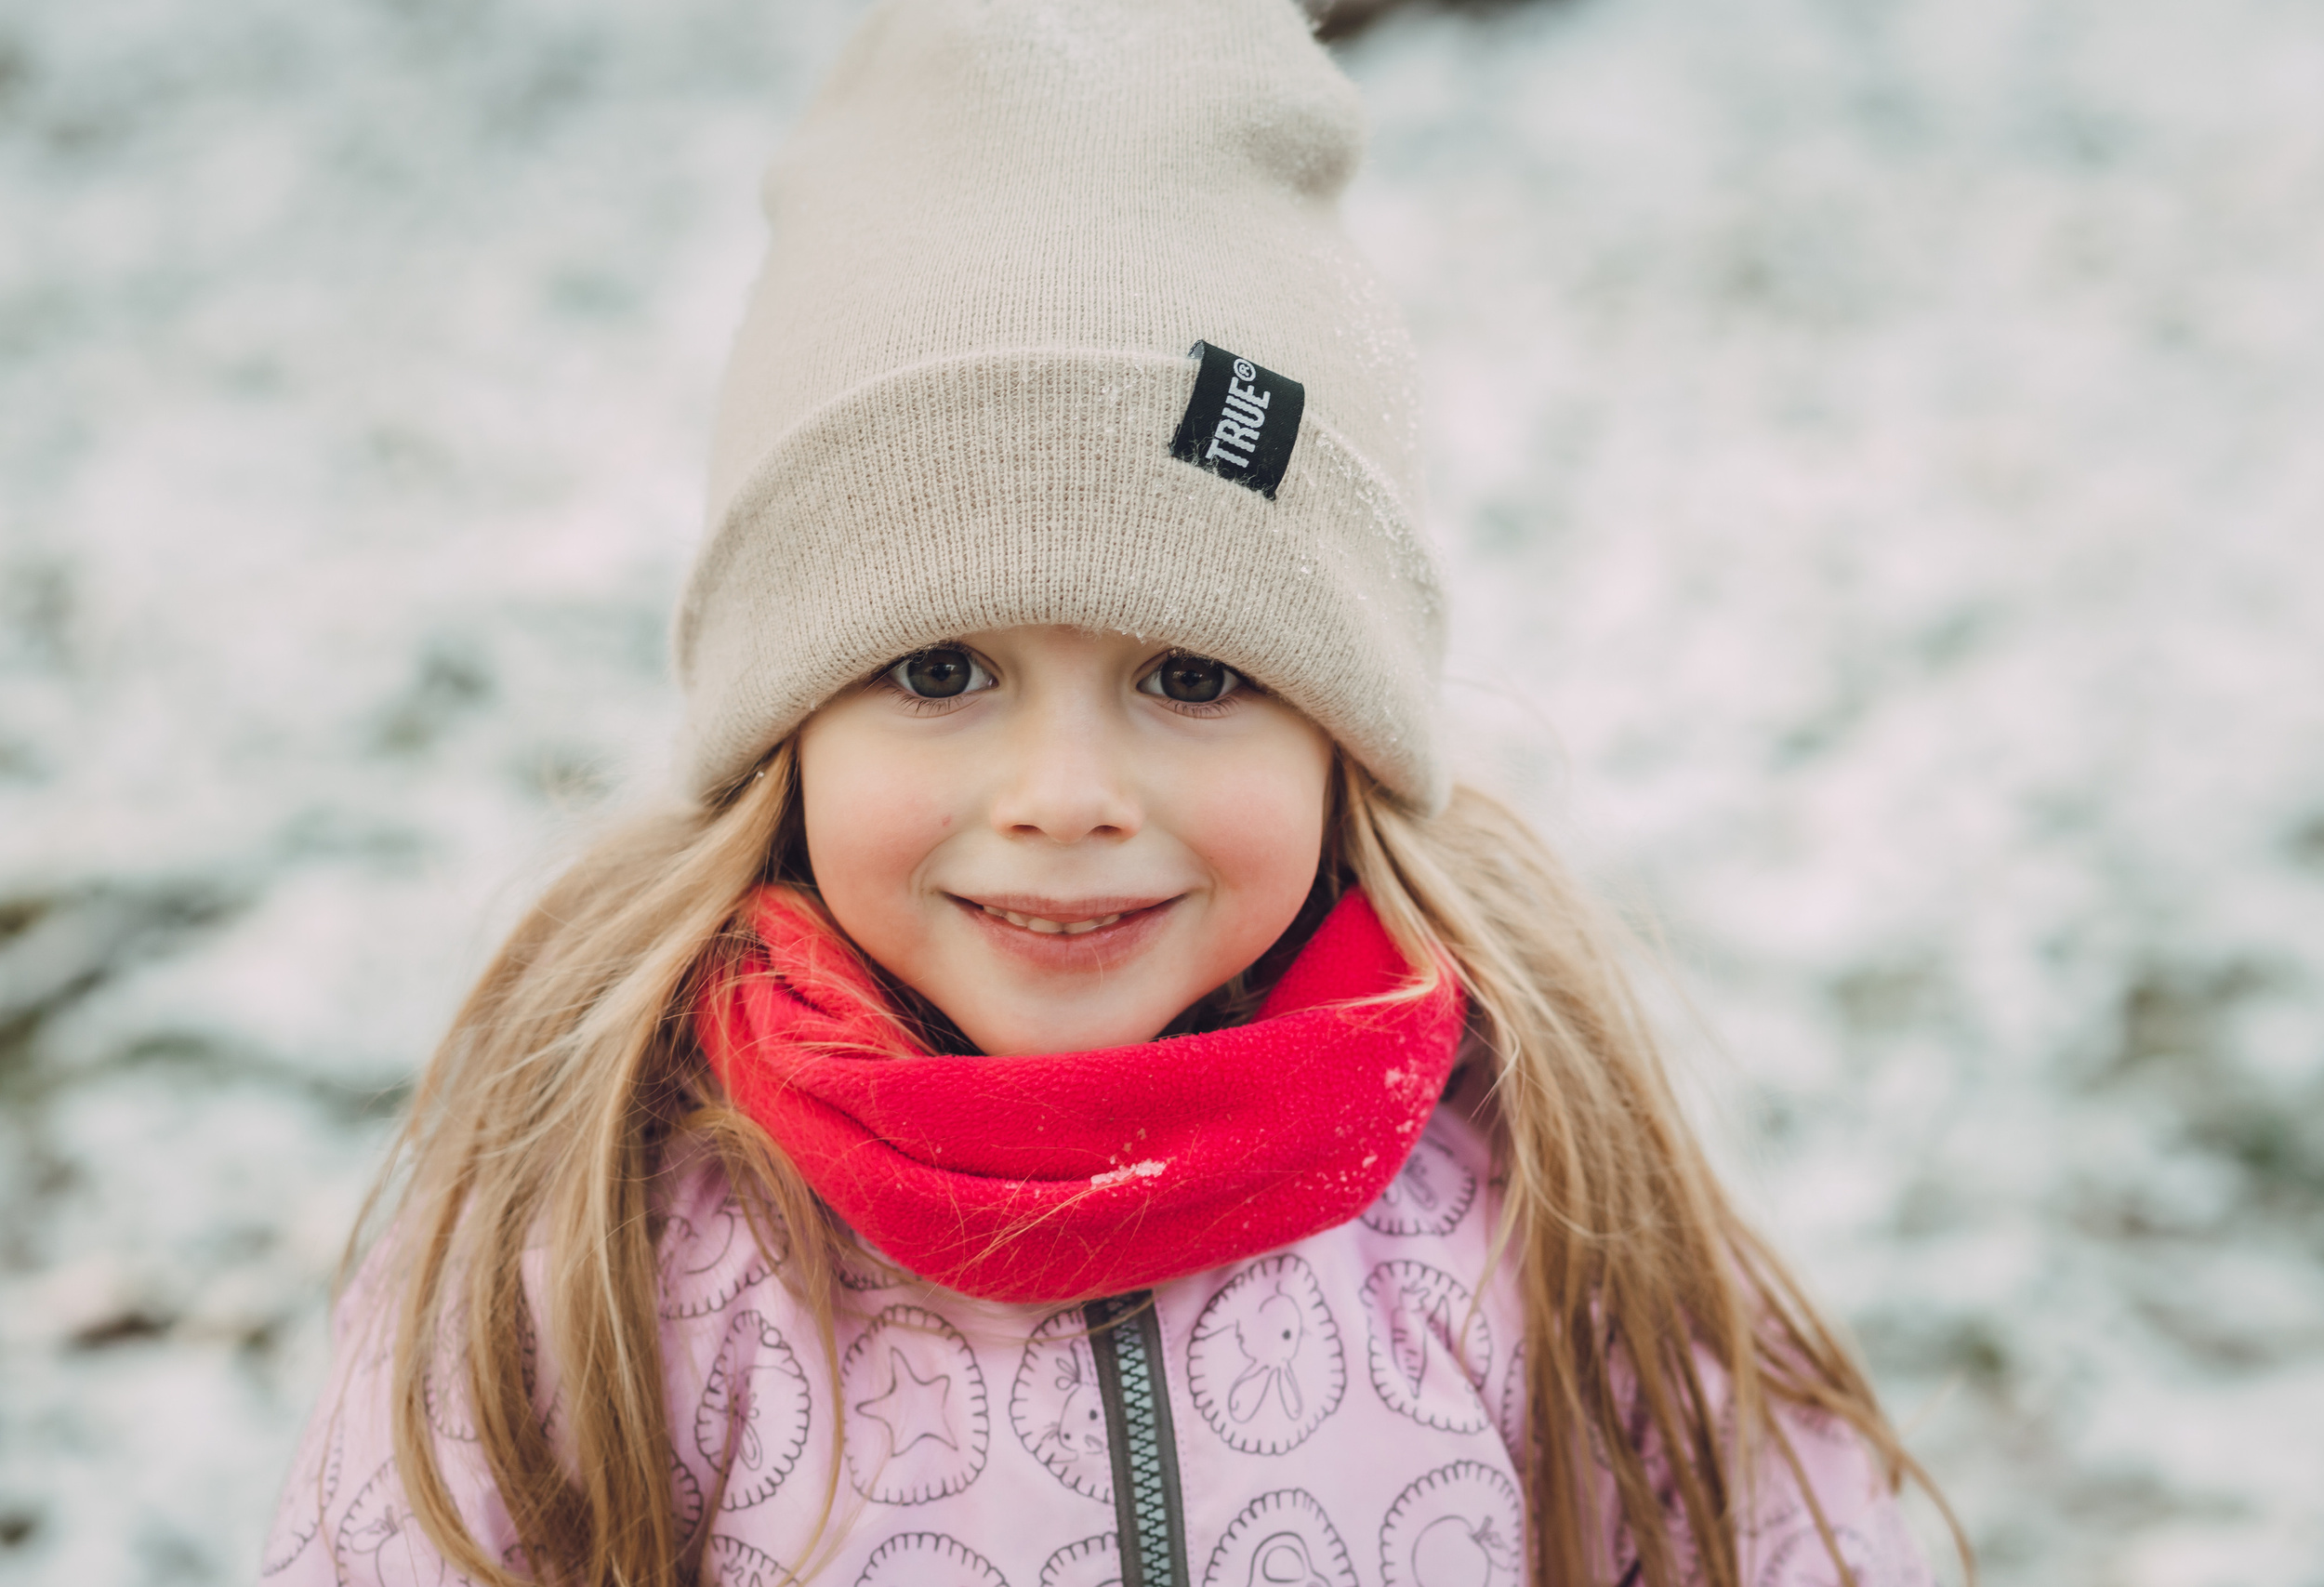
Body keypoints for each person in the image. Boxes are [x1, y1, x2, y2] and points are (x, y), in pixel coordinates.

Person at [260, 2, 1960, 1583]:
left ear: (1342, 738)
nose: (1065, 794)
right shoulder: (599, 1255)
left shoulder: (1534, 1196)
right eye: (939, 672)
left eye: (1195, 675)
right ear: (781, 733)